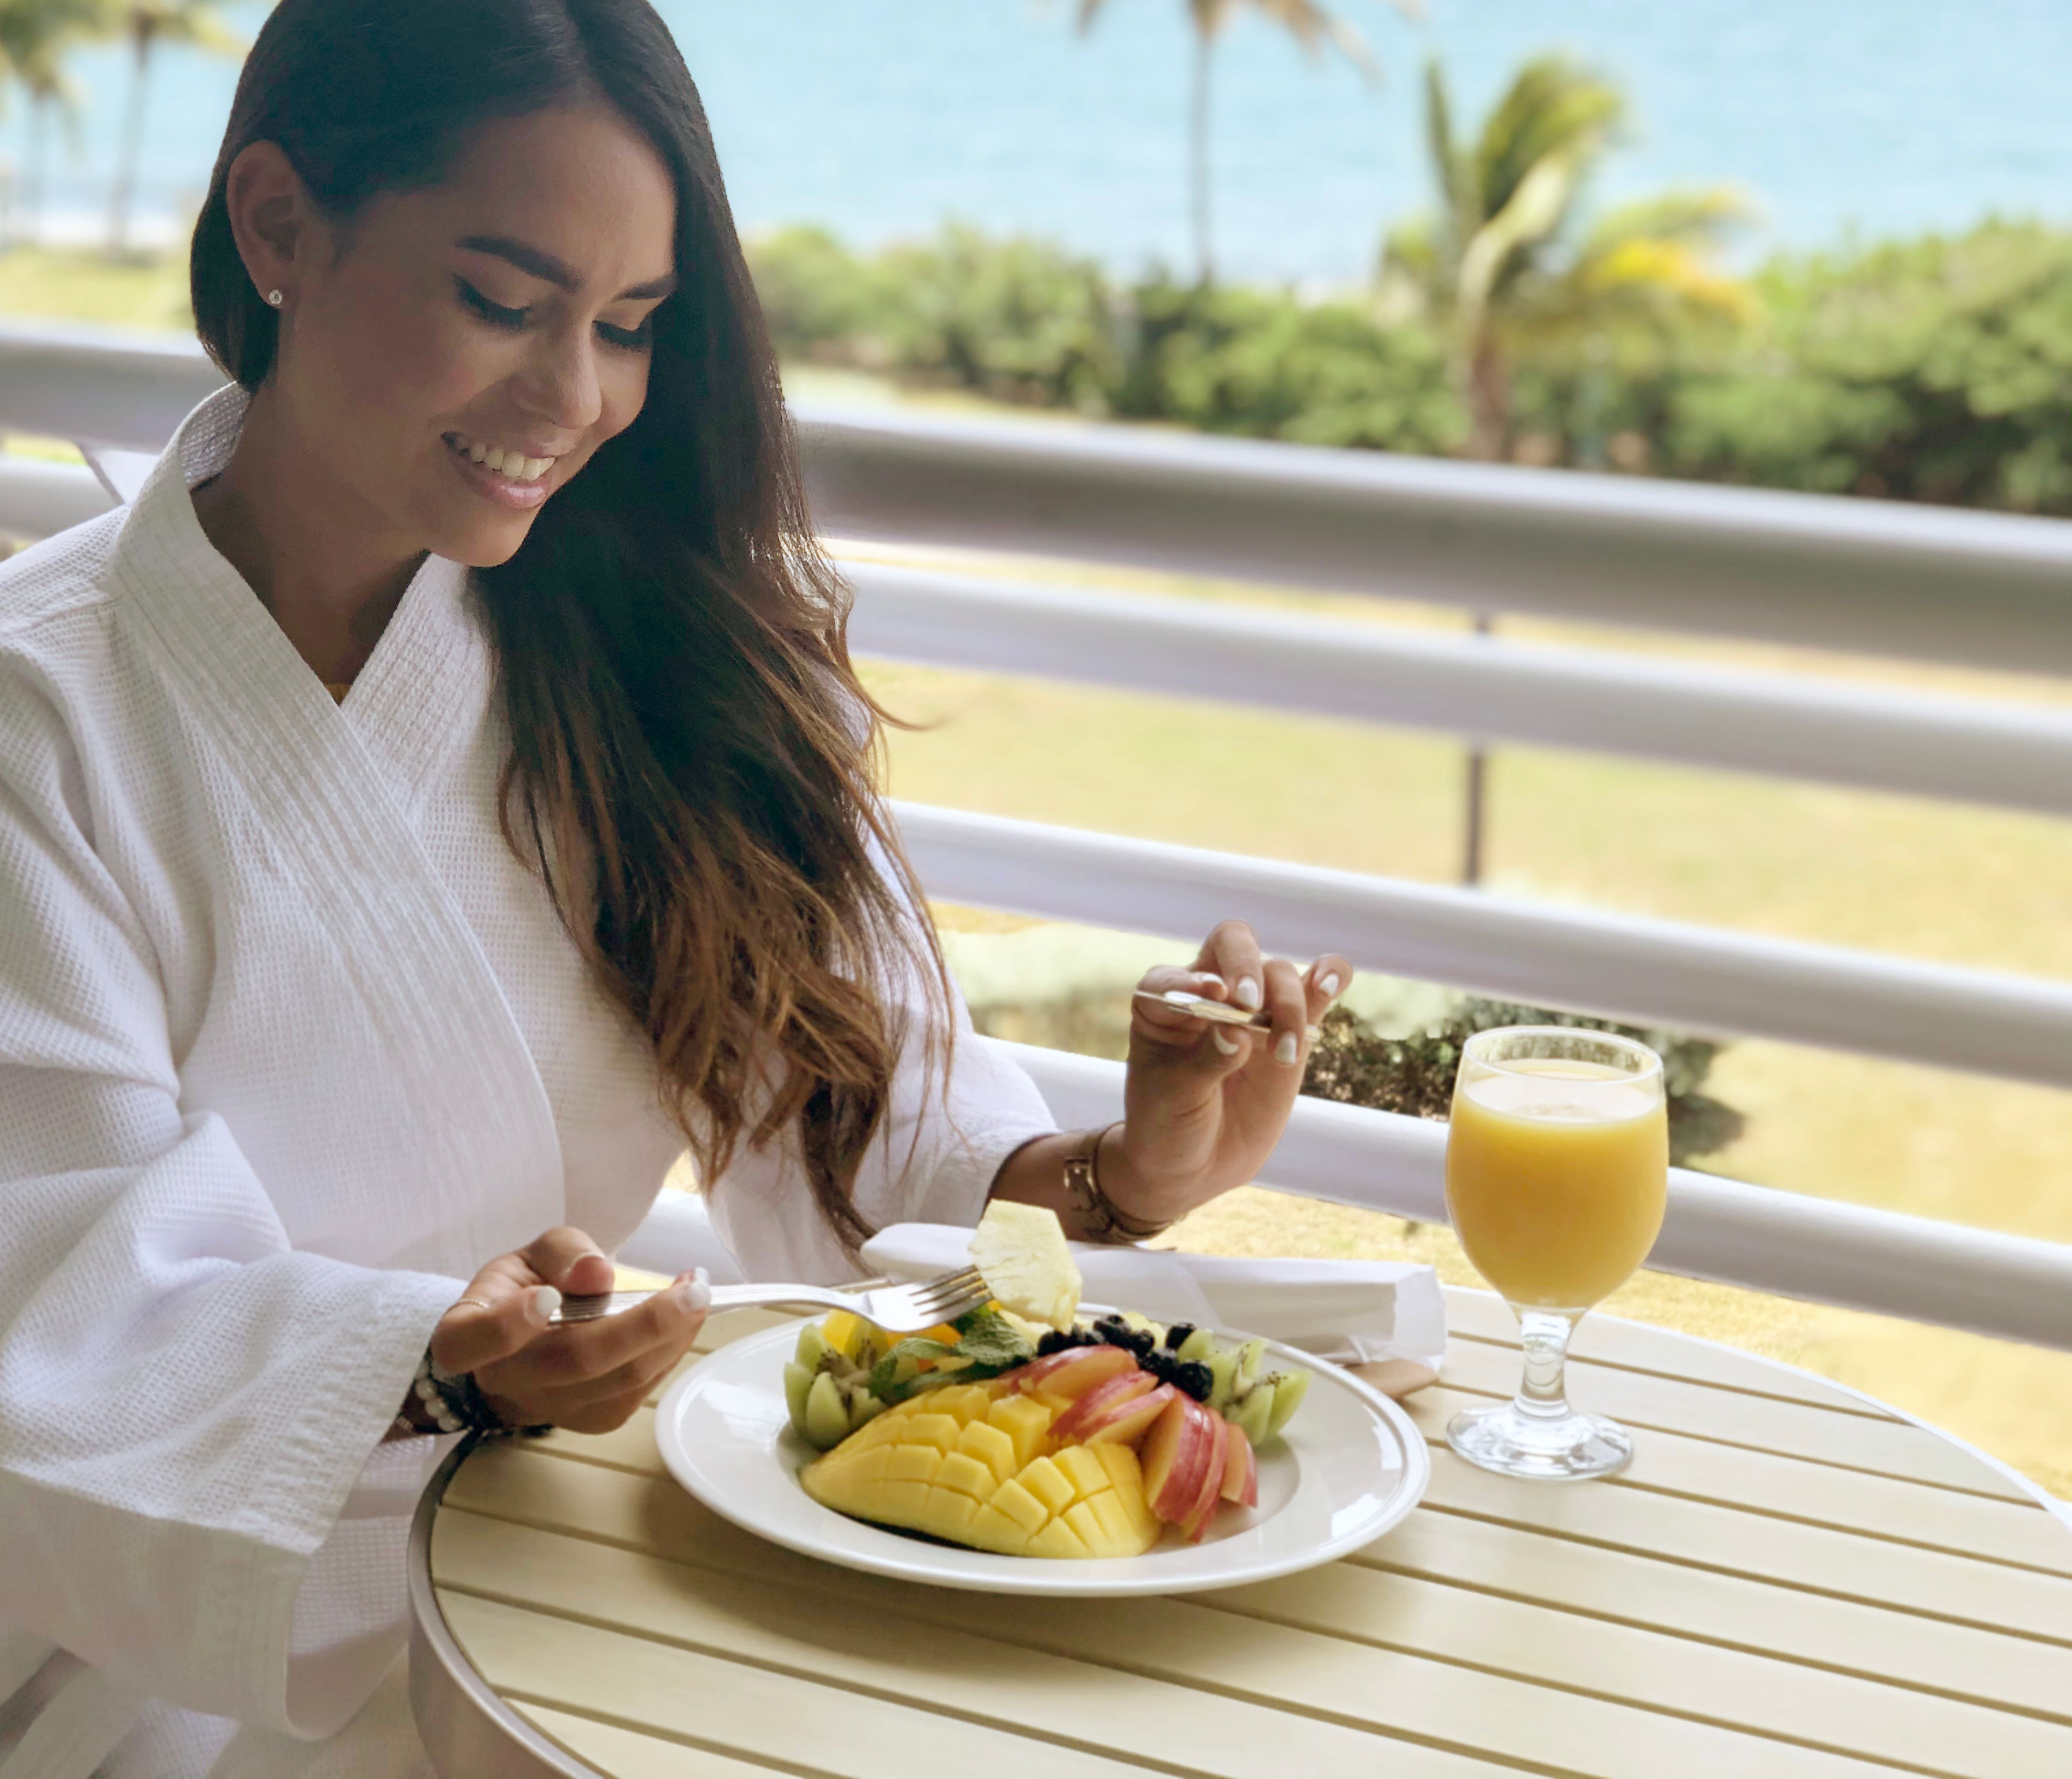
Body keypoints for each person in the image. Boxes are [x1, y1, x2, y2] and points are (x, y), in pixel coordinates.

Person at [0, 1, 1352, 1772]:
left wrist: (1124, 1169)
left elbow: (871, 1139)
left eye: (631, 327)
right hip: (169, 1649)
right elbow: (62, 1305)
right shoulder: (43, 711)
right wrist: (431, 1364)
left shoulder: (645, 655)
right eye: (502, 299)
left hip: (564, 1559)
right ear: (277, 227)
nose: (576, 401)